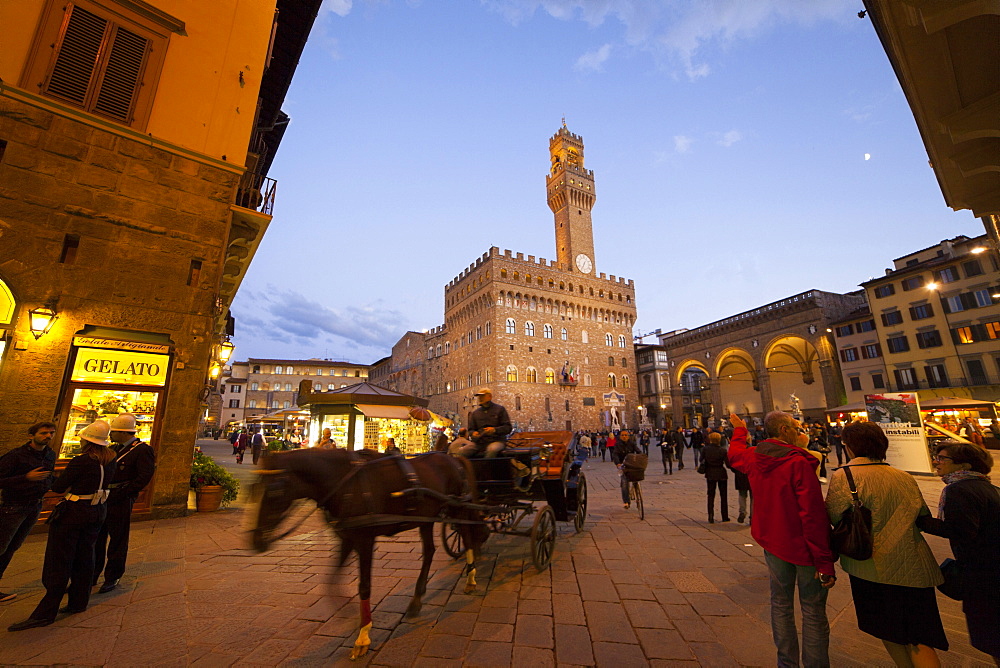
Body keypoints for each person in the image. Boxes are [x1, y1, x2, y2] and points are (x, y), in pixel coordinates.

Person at [826, 421, 947, 667]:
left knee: (889, 631)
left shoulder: (844, 476)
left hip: (872, 567)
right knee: (920, 638)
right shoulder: (903, 476)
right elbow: (921, 514)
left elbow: (834, 517)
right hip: (913, 565)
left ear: (850, 447)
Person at [728, 411, 836, 668]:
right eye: (798, 428)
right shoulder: (798, 463)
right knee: (812, 611)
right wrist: (824, 561)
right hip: (804, 550)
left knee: (780, 605)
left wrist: (740, 431)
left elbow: (733, 455)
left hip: (773, 545)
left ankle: (787, 664)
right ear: (785, 430)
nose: (803, 432)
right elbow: (812, 515)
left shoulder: (755, 456)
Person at [8, 421, 116, 631]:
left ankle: (45, 613)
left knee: (59, 560)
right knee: (85, 557)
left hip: (74, 512)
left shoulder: (81, 461)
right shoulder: (110, 459)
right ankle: (78, 602)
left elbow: (58, 487)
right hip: (97, 511)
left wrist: (46, 477)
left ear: (86, 440)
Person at [917, 442, 1000, 664]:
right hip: (991, 573)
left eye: (943, 459)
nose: (937, 462)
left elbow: (962, 531)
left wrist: (922, 521)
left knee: (992, 637)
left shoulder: (959, 490)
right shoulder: (987, 487)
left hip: (985, 579)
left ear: (963, 464)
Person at [92, 414, 155, 594]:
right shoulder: (114, 448)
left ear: (123, 433)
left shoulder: (142, 450)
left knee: (118, 539)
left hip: (121, 498)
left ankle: (112, 576)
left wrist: (126, 492)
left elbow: (144, 476)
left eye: (114, 432)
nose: (110, 435)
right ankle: (93, 573)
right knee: (98, 537)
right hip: (105, 497)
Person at [0, 422, 57, 602]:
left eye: (51, 433)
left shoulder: (50, 454)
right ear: (31, 435)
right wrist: (25, 477)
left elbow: (49, 476)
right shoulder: (16, 456)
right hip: (14, 506)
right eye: (44, 433)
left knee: (13, 546)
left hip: (35, 505)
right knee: (1, 546)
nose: (48, 436)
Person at [462, 387, 512, 458]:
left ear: (489, 396)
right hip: (479, 442)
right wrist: (473, 433)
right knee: (463, 451)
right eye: (479, 396)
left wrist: (494, 430)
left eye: (482, 396)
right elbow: (471, 429)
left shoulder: (500, 410)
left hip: (497, 441)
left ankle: (487, 468)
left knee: (492, 450)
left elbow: (508, 427)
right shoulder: (475, 413)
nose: (480, 398)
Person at [702, 432, 730, 523]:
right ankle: (724, 516)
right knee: (723, 496)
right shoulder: (723, 450)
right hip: (721, 473)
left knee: (710, 495)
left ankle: (710, 515)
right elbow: (728, 464)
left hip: (710, 473)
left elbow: (701, 459)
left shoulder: (705, 449)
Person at [611, 430, 641, 509]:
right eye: (623, 435)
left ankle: (637, 491)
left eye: (626, 435)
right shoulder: (618, 445)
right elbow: (615, 454)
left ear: (628, 436)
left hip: (632, 464)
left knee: (637, 478)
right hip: (623, 466)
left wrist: (641, 457)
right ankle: (626, 501)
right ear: (620, 436)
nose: (624, 436)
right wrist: (618, 463)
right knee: (624, 483)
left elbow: (638, 451)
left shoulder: (632, 443)